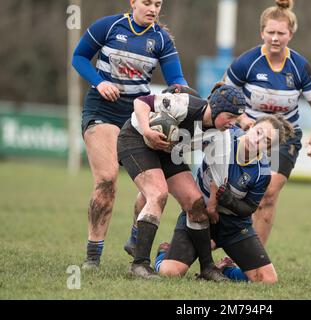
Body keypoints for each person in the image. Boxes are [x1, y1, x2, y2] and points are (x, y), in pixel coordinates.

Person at [72, 0, 189, 269]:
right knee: (107, 179)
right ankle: (93, 256)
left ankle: (136, 237)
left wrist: (182, 93)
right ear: (133, 2)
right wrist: (99, 82)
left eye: (158, 4)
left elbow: (177, 79)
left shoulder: (161, 40)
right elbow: (79, 57)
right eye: (147, 2)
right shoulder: (109, 26)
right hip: (103, 109)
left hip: (139, 116)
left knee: (155, 189)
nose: (153, 8)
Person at [223, 0, 311, 246]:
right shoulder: (246, 62)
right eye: (270, 32)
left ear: (290, 35)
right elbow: (222, 95)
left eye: (281, 33)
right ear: (262, 32)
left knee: (268, 194)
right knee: (231, 191)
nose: (274, 38)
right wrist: (241, 118)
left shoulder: (300, 66)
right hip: (247, 134)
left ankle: (252, 260)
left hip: (283, 137)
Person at [117, 84, 247, 280]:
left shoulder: (222, 136)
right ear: (217, 108)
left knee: (195, 202)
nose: (232, 123)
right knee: (157, 193)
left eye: (236, 119)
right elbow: (141, 102)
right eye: (230, 117)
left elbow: (218, 178)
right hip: (136, 139)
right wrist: (147, 131)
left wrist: (211, 204)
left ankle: (207, 268)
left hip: (169, 151)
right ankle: (140, 264)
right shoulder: (186, 104)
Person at [154, 115, 294, 284]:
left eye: (267, 141)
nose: (258, 140)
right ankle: (164, 252)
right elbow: (199, 126)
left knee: (268, 280)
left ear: (269, 149)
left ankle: (226, 269)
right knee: (170, 272)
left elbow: (249, 208)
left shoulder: (262, 173)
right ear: (250, 126)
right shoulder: (224, 134)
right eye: (259, 132)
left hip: (233, 227)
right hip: (199, 214)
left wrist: (230, 201)